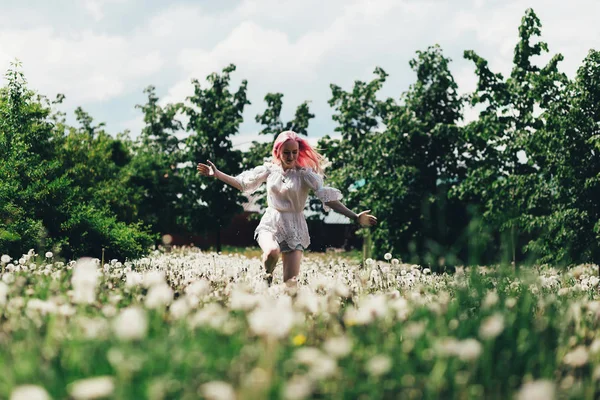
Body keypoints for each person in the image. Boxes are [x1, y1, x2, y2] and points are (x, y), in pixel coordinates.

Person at [197, 130, 377, 285]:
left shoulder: (305, 175)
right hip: (271, 222)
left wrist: (354, 216)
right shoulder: (268, 170)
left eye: (294, 152)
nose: (291, 157)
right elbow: (242, 183)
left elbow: (327, 198)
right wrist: (217, 174)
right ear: (278, 152)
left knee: (290, 286)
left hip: (295, 227)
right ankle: (266, 280)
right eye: (286, 153)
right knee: (272, 252)